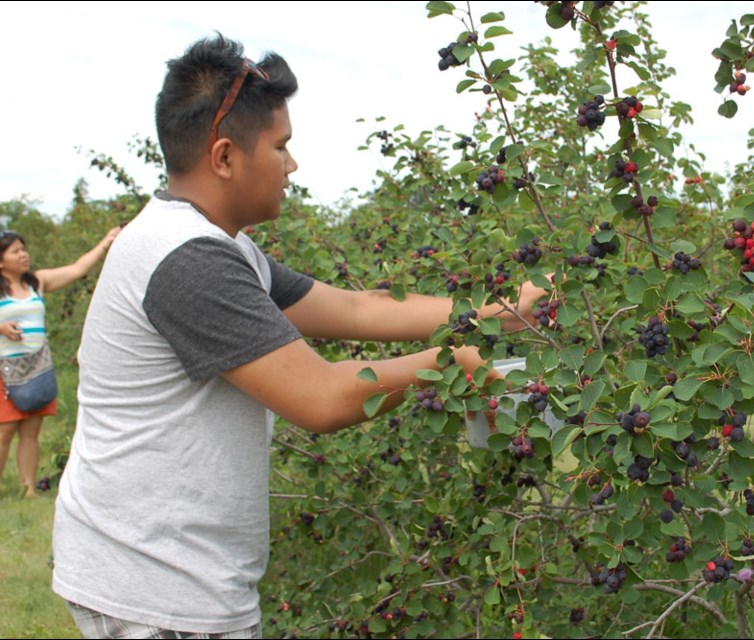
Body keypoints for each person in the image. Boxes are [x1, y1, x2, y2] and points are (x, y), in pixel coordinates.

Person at [52, 35, 545, 638]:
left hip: (168, 568)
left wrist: (500, 311)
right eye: (281, 147)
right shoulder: (186, 261)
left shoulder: (221, 246)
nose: (292, 165)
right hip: (157, 584)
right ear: (226, 157)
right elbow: (322, 398)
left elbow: (358, 312)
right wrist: (459, 362)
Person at [0, 227, 120, 498]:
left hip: (36, 367)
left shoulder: (36, 283)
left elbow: (77, 269)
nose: (23, 255)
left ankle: (27, 488)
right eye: (15, 251)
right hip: (5, 371)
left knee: (31, 429)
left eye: (24, 249)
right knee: (4, 431)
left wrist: (105, 242)